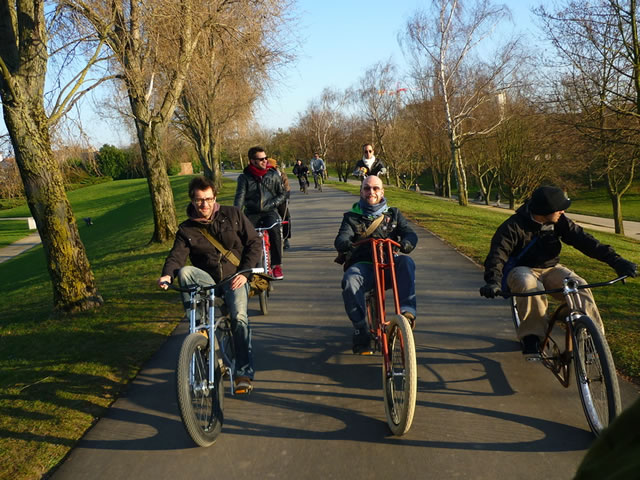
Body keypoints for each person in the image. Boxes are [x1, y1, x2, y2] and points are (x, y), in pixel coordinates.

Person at [479, 185, 637, 357]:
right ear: (544, 210)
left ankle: (593, 340)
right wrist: (493, 281)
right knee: (529, 286)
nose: (562, 211)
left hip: (551, 268)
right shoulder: (513, 226)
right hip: (522, 269)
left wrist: (617, 262)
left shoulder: (559, 221)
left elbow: (586, 242)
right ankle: (532, 337)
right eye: (559, 209)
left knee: (580, 286)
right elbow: (497, 255)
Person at [158, 176, 262, 394]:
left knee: (239, 318)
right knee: (185, 272)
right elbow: (177, 256)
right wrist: (167, 275)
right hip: (208, 281)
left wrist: (245, 272)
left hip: (235, 278)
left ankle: (243, 373)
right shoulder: (187, 229)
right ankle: (199, 328)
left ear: (215, 197)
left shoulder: (233, 214)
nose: (204, 204)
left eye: (208, 199)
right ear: (192, 201)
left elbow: (254, 242)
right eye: (199, 200)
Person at [334, 175, 418, 354]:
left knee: (406, 262)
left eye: (375, 188)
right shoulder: (351, 217)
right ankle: (360, 327)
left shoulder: (393, 214)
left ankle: (407, 312)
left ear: (382, 191)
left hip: (389, 266)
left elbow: (410, 234)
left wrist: (407, 243)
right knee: (350, 279)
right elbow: (342, 236)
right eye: (366, 188)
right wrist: (344, 242)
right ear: (361, 191)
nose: (371, 192)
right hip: (364, 267)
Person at [234, 146, 286, 280]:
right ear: (252, 161)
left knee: (274, 230)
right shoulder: (244, 178)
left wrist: (272, 204)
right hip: (251, 213)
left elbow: (282, 194)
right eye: (261, 159)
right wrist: (236, 216)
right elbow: (239, 198)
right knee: (244, 237)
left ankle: (276, 265)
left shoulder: (273, 174)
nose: (265, 161)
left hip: (270, 212)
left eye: (265, 158)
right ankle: (246, 268)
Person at [268, 157, 292, 249]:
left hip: (280, 199)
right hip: (269, 201)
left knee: (286, 217)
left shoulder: (281, 175)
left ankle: (286, 238)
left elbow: (286, 186)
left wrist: (287, 196)